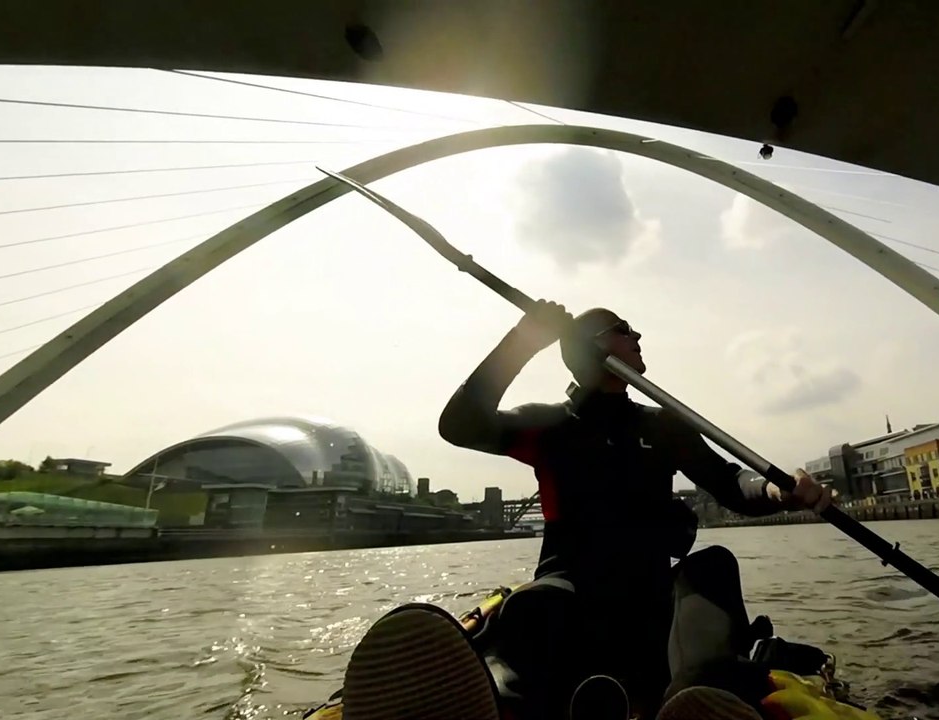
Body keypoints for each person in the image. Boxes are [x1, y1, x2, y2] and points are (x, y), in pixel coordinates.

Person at [341, 302, 834, 720]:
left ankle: (695, 696)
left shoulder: (665, 427)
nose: (638, 336)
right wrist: (523, 341)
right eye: (624, 329)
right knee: (535, 603)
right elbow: (460, 425)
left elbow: (732, 484)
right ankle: (504, 700)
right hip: (570, 594)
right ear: (592, 347)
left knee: (714, 565)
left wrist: (779, 493)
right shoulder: (550, 425)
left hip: (651, 601)